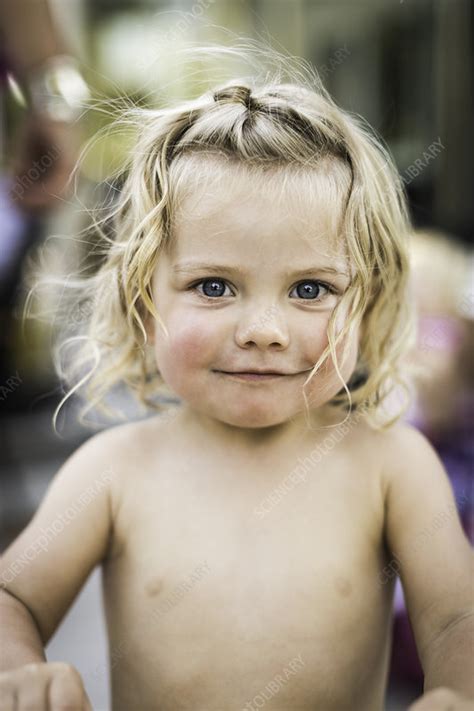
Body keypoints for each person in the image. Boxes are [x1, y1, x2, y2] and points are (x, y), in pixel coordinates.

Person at [0, 50, 473, 711]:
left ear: (368, 305)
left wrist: (456, 689)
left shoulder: (391, 466)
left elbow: (456, 618)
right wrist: (20, 666)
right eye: (214, 285)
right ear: (145, 305)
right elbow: (13, 597)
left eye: (310, 288)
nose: (263, 329)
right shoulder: (113, 471)